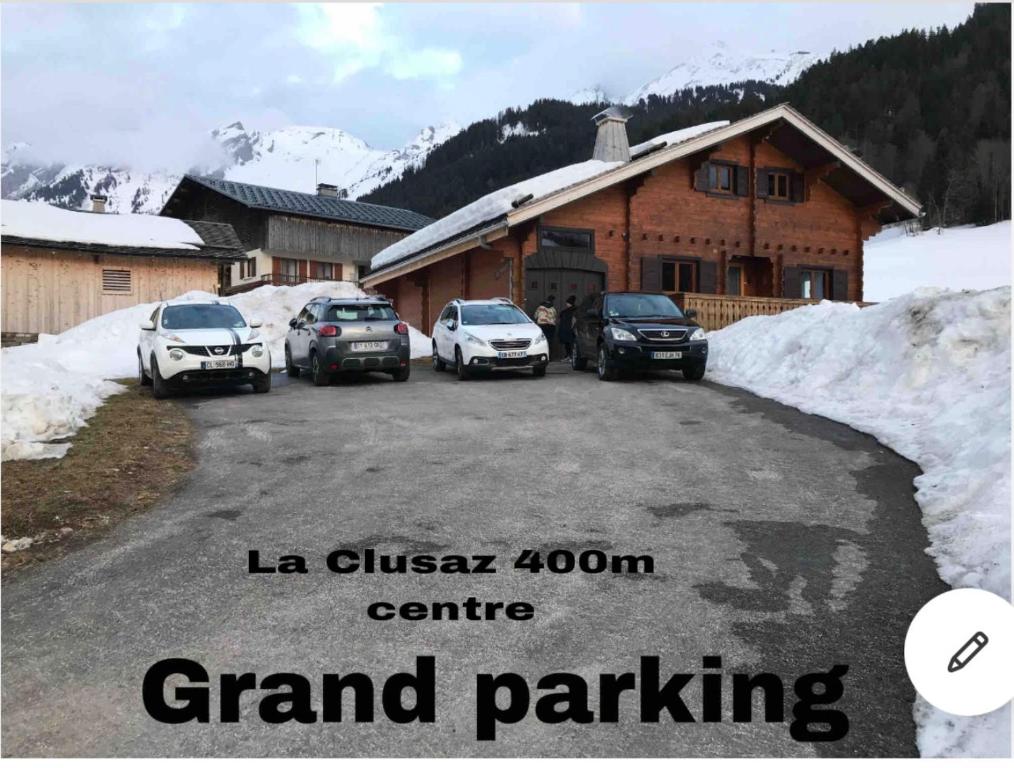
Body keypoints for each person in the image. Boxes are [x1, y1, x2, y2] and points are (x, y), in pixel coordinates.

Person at [533, 295, 558, 360]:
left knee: (541, 341)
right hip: (551, 326)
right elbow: (555, 317)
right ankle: (550, 357)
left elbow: (535, 316)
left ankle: (542, 357)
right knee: (550, 341)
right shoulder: (553, 309)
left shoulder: (540, 308)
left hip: (542, 326)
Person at [557, 295, 577, 362]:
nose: (566, 304)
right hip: (570, 330)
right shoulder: (572, 310)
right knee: (569, 344)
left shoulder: (567, 311)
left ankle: (570, 356)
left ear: (569, 303)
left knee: (569, 344)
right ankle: (569, 356)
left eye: (567, 303)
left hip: (568, 330)